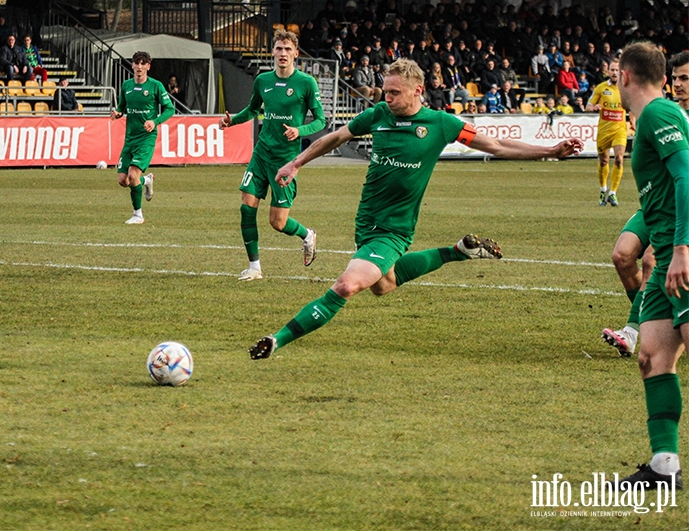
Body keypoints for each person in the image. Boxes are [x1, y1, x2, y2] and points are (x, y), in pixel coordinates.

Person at [246, 58, 583, 360]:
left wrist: (551, 150)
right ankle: (458, 252)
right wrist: (297, 163)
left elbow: (497, 145)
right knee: (384, 285)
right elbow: (335, 138)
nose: (386, 98)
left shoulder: (440, 123)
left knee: (346, 286)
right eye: (384, 91)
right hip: (366, 224)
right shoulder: (378, 114)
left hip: (394, 229)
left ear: (417, 90)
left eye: (394, 92)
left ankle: (277, 340)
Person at [611, 42, 688, 490]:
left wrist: (682, 249)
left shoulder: (659, 114)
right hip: (663, 258)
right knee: (652, 357)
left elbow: (685, 177)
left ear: (624, 76)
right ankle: (664, 466)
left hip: (682, 254)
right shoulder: (654, 117)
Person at [218, 30, 325, 280]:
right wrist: (232, 120)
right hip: (261, 154)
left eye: (288, 49)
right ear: (273, 52)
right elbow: (252, 110)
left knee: (277, 222)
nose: (283, 53)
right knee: (246, 207)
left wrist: (300, 130)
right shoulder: (262, 80)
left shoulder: (306, 83)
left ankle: (307, 235)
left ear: (296, 54)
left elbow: (320, 120)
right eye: (278, 48)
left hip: (286, 160)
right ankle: (254, 267)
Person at [110, 51, 174, 225]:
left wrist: (155, 121)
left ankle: (138, 215)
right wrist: (117, 113)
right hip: (129, 138)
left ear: (148, 66)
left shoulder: (156, 86)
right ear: (132, 65)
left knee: (132, 175)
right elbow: (122, 106)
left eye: (143, 63)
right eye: (136, 63)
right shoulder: (126, 86)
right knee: (123, 180)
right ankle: (147, 181)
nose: (139, 67)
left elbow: (170, 109)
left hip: (146, 138)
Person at [587, 60, 628, 207]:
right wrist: (593, 107)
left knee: (618, 159)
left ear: (621, 72)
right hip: (604, 130)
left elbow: (632, 106)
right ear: (608, 72)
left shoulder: (626, 88)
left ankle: (613, 193)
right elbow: (588, 105)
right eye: (612, 70)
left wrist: (634, 120)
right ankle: (603, 189)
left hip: (620, 130)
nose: (615, 72)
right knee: (604, 161)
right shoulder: (601, 88)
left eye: (617, 70)